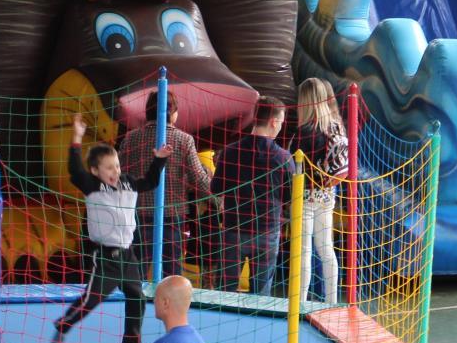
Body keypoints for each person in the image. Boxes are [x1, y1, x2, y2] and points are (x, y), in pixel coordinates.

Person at [52, 115, 168, 343]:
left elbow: (150, 182)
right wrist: (76, 138)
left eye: (116, 165)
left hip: (128, 255)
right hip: (105, 257)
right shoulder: (92, 186)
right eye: (108, 168)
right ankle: (64, 325)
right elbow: (74, 170)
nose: (115, 171)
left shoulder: (128, 183)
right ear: (95, 171)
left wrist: (158, 161)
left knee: (137, 298)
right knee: (91, 300)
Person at [119, 89, 210, 278]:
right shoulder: (184, 140)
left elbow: (121, 173)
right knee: (172, 272)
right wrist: (217, 194)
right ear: (172, 112)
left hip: (138, 212)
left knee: (137, 270)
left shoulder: (131, 138)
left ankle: (134, 304)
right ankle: (170, 305)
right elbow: (198, 178)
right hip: (172, 214)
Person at [214, 98, 296, 297]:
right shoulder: (283, 158)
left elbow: (216, 188)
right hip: (266, 231)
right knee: (260, 295)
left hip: (234, 227)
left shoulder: (230, 152)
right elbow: (289, 197)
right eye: (282, 122)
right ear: (273, 122)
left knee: (225, 292)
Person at [294, 77, 348, 305]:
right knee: (327, 249)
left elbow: (296, 168)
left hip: (306, 196)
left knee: (304, 251)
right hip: (328, 194)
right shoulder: (336, 125)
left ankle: (301, 301)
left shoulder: (304, 132)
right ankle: (332, 301)